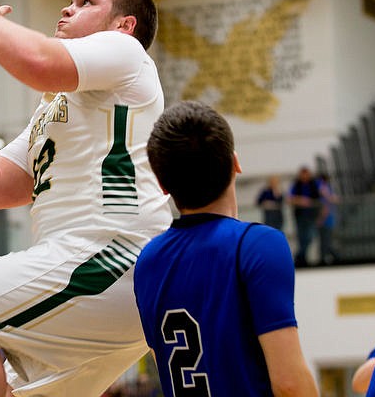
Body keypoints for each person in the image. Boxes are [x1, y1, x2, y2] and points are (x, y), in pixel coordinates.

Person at [0, 0, 172, 396]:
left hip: (114, 252)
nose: (67, 9)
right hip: (90, 270)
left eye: (86, 2)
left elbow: (36, 60)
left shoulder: (127, 52)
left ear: (124, 24)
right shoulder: (56, 102)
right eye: (69, 1)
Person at [133, 100, 318, 396]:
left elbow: (162, 363)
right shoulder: (258, 245)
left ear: (162, 185)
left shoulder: (147, 261)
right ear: (235, 163)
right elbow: (289, 384)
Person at [289, 166, 322, 267]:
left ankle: (300, 255)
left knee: (310, 236)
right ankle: (302, 257)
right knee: (302, 237)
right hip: (300, 216)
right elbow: (290, 198)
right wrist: (301, 200)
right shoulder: (296, 185)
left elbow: (319, 198)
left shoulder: (314, 184)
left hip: (311, 215)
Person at [316, 173, 339, 265]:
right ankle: (327, 257)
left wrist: (320, 219)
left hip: (326, 220)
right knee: (326, 240)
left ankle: (328, 258)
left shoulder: (324, 189)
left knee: (326, 241)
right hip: (328, 219)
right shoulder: (328, 189)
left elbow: (326, 207)